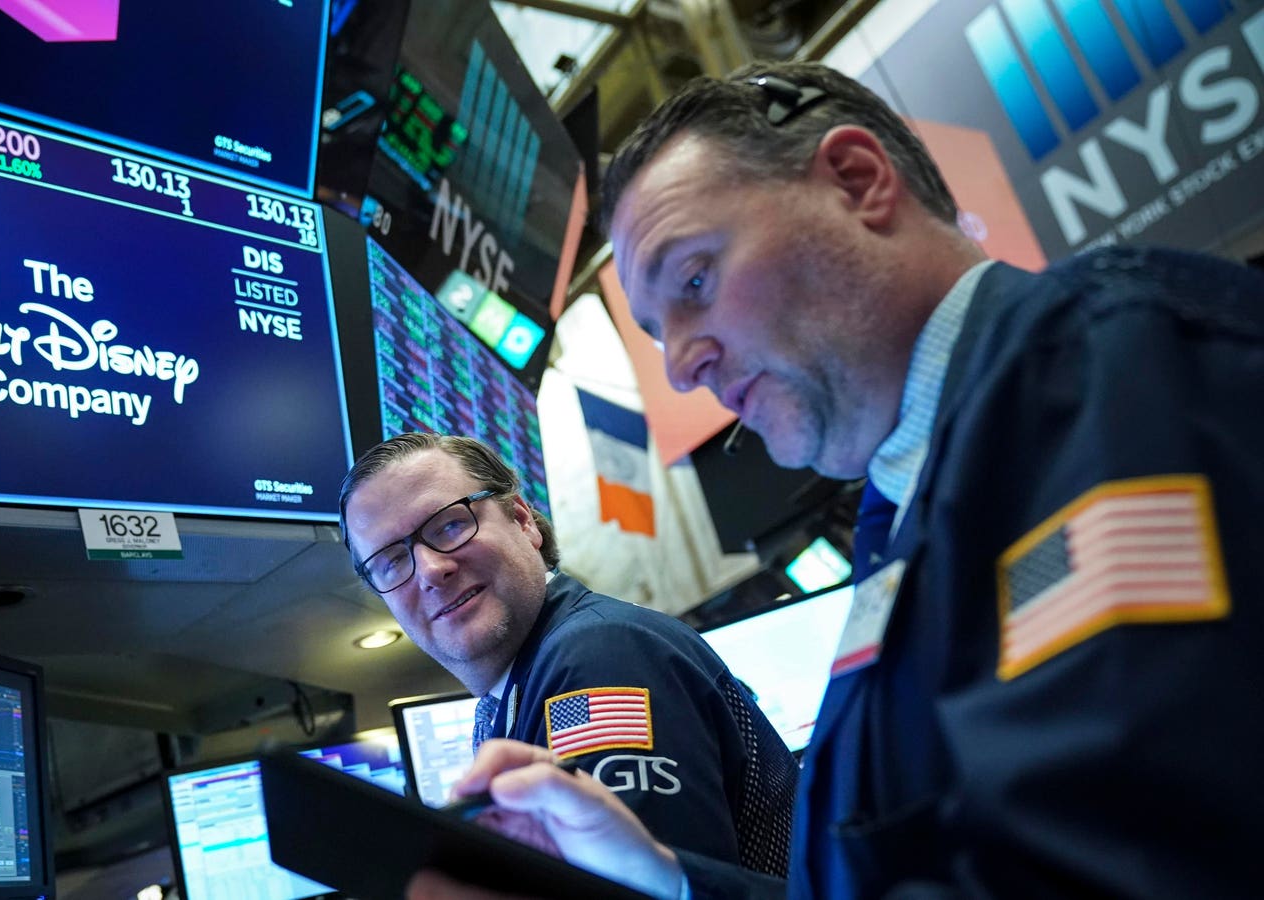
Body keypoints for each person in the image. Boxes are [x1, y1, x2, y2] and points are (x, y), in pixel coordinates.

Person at [408, 60, 1264, 899]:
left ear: (857, 182)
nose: (680, 366)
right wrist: (658, 876)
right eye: (658, 331)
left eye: (695, 280)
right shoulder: (907, 503)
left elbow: (1125, 857)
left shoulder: (1104, 372)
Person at [339, 432, 796, 893]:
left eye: (449, 526)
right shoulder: (522, 685)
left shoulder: (599, 657)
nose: (431, 570)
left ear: (523, 522)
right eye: (391, 561)